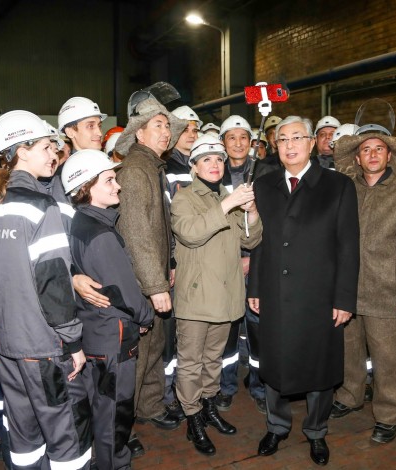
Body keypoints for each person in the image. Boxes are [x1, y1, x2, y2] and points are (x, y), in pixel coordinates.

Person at [0, 110, 90, 469]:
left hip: (6, 342)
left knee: (23, 434)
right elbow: (53, 282)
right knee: (66, 432)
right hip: (43, 346)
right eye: (45, 146)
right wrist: (72, 341)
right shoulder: (42, 205)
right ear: (21, 151)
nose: (54, 153)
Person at [249, 116, 359, 466]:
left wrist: (344, 298)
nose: (290, 145)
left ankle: (316, 430)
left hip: (319, 295)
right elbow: (260, 241)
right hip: (275, 291)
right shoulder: (264, 185)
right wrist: (255, 287)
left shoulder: (338, 185)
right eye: (283, 139)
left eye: (297, 137)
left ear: (312, 143)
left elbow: (348, 246)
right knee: (274, 362)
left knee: (320, 366)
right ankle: (277, 426)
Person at [332, 129, 396, 445]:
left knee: (391, 359)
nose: (372, 154)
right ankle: (349, 395)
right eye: (366, 149)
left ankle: (390, 414)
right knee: (349, 351)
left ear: (389, 156)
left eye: (379, 149)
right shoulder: (346, 190)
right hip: (348, 290)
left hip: (388, 292)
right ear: (357, 158)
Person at [171, 134, 262, 455]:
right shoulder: (184, 198)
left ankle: (208, 406)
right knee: (190, 362)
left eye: (219, 159)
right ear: (194, 167)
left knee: (213, 359)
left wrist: (251, 211)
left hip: (224, 296)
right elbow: (191, 234)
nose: (215, 164)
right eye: (206, 159)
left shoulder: (228, 196)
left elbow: (250, 240)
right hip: (196, 298)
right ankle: (192, 416)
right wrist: (229, 204)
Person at [63, 149, 155, 470]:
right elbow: (124, 292)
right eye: (109, 180)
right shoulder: (100, 234)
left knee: (100, 408)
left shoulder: (79, 223)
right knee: (115, 413)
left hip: (93, 332)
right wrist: (145, 316)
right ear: (85, 188)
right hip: (113, 337)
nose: (118, 186)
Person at [112, 96, 187, 450]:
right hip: (140, 281)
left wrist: (167, 266)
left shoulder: (153, 167)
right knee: (138, 355)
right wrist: (155, 285)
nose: (166, 132)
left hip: (153, 274)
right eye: (158, 125)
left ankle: (150, 405)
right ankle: (122, 429)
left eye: (167, 126)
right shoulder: (135, 171)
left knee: (154, 345)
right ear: (139, 134)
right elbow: (137, 233)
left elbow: (161, 228)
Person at [216, 115, 275, 414]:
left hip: (257, 264)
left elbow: (272, 225)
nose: (238, 143)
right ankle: (225, 387)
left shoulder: (266, 173)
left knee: (258, 329)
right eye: (232, 138)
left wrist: (253, 260)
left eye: (243, 138)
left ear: (252, 142)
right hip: (225, 265)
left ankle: (259, 386)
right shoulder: (214, 174)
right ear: (223, 142)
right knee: (226, 331)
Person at [160, 104, 203, 424]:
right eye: (184, 129)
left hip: (200, 259)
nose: (190, 134)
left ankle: (192, 389)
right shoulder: (166, 168)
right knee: (172, 331)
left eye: (194, 130)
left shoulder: (202, 163)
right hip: (179, 260)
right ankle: (168, 393)